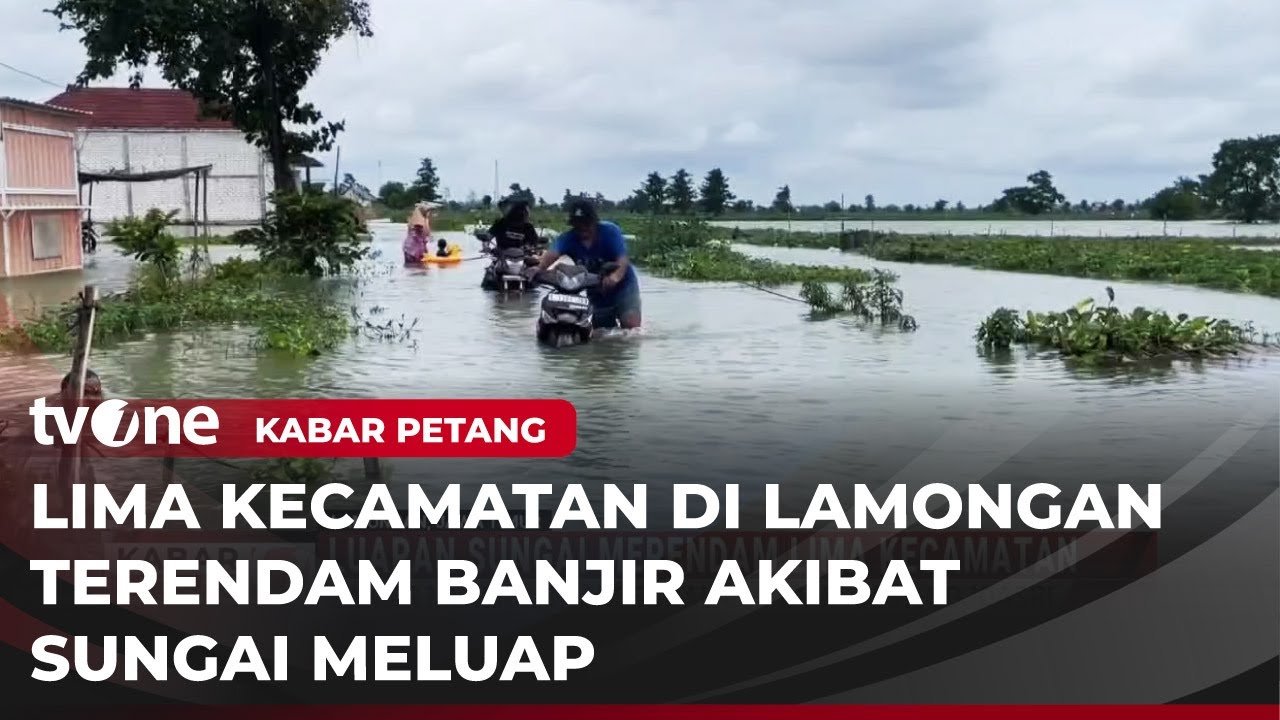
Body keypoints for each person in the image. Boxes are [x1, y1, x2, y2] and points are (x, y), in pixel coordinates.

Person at [528, 199, 641, 329]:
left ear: (594, 222)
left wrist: (614, 277)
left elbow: (623, 259)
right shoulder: (568, 238)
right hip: (596, 287)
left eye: (586, 224)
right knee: (601, 332)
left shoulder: (610, 232)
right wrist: (538, 269)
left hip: (624, 284)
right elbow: (552, 254)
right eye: (578, 225)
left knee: (631, 326)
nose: (582, 228)